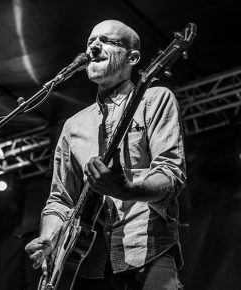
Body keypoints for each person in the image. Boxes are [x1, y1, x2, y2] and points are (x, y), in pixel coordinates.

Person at [25, 19, 186, 290]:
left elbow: (171, 176)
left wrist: (127, 189)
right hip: (87, 267)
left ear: (132, 57)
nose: (94, 46)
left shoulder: (156, 99)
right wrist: (49, 237)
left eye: (107, 41)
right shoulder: (74, 125)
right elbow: (60, 200)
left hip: (146, 249)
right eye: (90, 42)